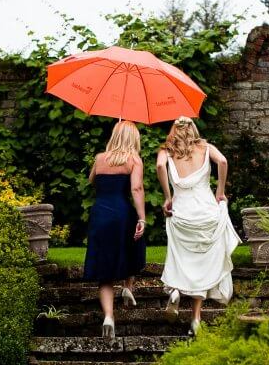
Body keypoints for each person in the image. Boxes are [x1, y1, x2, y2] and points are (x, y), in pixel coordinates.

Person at [156, 116, 241, 335]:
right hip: (206, 211)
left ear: (174, 131)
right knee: (202, 266)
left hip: (181, 211)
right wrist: (219, 191)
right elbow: (222, 162)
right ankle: (195, 318)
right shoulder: (206, 147)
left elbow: (159, 166)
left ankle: (175, 290)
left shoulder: (166, 151)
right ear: (193, 128)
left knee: (180, 257)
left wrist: (168, 196)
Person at [83, 120, 147, 339]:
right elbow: (136, 188)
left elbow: (92, 180)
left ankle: (109, 315)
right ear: (134, 139)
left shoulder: (100, 159)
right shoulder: (134, 160)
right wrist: (142, 217)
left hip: (100, 212)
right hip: (122, 212)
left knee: (104, 268)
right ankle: (128, 285)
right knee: (132, 246)